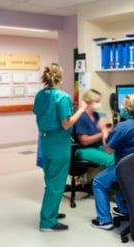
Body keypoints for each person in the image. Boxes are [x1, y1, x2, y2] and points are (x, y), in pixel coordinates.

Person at [33, 63, 88, 232]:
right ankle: (47, 222)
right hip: (59, 142)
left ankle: (51, 212)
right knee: (56, 182)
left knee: (51, 179)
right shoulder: (63, 97)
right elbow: (66, 124)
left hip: (46, 141)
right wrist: (82, 109)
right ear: (60, 77)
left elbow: (40, 114)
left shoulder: (40, 95)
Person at [91, 93, 134, 230]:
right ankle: (124, 210)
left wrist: (103, 130)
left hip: (125, 168)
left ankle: (104, 220)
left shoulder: (123, 126)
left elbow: (108, 149)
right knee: (117, 178)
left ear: (128, 108)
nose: (121, 107)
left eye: (123, 104)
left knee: (98, 182)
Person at [73, 89, 114, 170]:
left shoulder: (96, 115)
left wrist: (106, 130)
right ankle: (102, 181)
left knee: (118, 156)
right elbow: (84, 141)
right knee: (110, 160)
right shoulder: (81, 117)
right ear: (89, 102)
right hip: (82, 149)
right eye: (97, 101)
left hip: (96, 147)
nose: (99, 104)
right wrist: (103, 131)